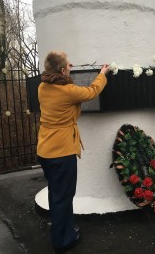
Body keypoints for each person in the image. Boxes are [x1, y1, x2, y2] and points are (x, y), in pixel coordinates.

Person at [37, 51, 110, 253]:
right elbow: (92, 91)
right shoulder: (67, 91)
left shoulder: (42, 87)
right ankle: (63, 241)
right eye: (69, 65)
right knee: (64, 196)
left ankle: (63, 230)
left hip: (45, 150)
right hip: (61, 152)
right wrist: (102, 73)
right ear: (61, 70)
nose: (71, 67)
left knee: (56, 194)